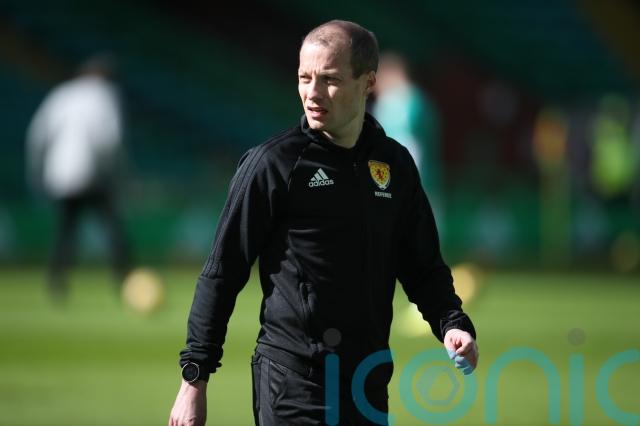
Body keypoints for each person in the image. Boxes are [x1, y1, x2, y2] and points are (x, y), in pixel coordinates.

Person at [169, 20, 478, 426]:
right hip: (295, 381)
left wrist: (451, 322)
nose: (312, 93)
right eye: (305, 77)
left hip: (369, 381)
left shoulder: (394, 164)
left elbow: (422, 265)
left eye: (330, 80)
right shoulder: (273, 164)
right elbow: (222, 273)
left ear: (368, 83)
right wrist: (194, 379)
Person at [26, 54, 129, 301]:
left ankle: (56, 281)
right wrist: (118, 174)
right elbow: (111, 139)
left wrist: (36, 172)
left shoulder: (62, 93)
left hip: (60, 174)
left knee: (66, 230)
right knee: (112, 227)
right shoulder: (105, 94)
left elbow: (37, 135)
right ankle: (125, 280)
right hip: (93, 173)